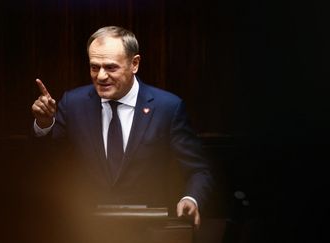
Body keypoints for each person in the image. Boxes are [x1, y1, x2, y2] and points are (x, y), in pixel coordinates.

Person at [31, 26, 213, 229]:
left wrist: (191, 198)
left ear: (134, 64)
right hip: (87, 230)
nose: (100, 76)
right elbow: (47, 163)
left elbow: (199, 170)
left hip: (150, 231)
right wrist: (45, 124)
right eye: (94, 67)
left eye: (110, 67)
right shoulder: (73, 104)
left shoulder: (167, 108)